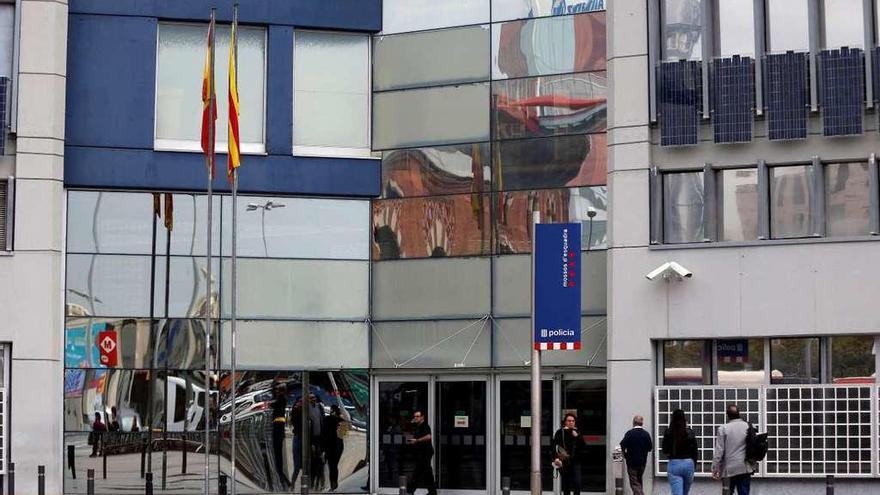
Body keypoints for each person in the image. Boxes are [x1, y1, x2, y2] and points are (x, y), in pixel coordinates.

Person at [712, 405, 755, 495]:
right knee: (744, 492)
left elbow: (719, 450)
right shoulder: (749, 426)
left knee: (727, 492)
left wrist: (715, 468)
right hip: (745, 467)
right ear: (739, 413)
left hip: (729, 469)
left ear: (727, 415)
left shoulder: (723, 429)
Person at [661, 409, 698, 495]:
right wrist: (694, 465)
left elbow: (665, 450)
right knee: (685, 492)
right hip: (689, 463)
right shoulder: (690, 432)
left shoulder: (669, 432)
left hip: (674, 463)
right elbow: (695, 451)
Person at [552, 413, 586, 495]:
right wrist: (555, 458)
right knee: (566, 484)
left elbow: (583, 446)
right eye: (569, 421)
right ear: (565, 422)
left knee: (577, 483)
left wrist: (577, 436)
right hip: (564, 461)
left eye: (573, 421)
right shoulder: (560, 432)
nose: (571, 422)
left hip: (576, 461)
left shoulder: (577, 432)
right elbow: (554, 446)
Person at [619, 414, 653, 495]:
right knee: (639, 481)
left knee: (634, 483)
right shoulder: (646, 434)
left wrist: (625, 455)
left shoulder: (630, 433)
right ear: (642, 423)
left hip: (631, 462)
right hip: (642, 462)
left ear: (633, 423)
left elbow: (622, 445)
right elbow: (650, 448)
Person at [406, 410, 437, 495]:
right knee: (422, 472)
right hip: (421, 453)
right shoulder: (417, 426)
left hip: (426, 452)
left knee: (422, 472)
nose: (415, 418)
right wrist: (411, 423)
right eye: (415, 416)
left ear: (422, 417)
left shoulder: (425, 426)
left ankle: (410, 491)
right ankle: (431, 492)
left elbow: (428, 436)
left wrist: (417, 441)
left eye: (417, 416)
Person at [322, 405, 347, 490]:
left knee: (331, 465)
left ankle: (333, 484)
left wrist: (323, 448)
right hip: (339, 446)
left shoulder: (327, 419)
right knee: (334, 465)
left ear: (332, 410)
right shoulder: (342, 421)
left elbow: (324, 434)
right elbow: (343, 434)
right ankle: (334, 483)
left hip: (329, 445)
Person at [271, 384, 290, 490]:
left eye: (278, 391)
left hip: (278, 426)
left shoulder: (281, 399)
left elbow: (274, 405)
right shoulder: (281, 399)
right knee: (278, 452)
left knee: (277, 451)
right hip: (279, 426)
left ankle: (280, 473)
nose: (277, 392)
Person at [308, 393, 326, 490]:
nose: (313, 399)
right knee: (313, 462)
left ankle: (320, 482)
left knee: (320, 461)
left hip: (320, 438)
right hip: (312, 439)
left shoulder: (319, 407)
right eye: (311, 398)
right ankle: (312, 482)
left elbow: (323, 420)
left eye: (314, 397)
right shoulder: (307, 409)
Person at [289, 397, 304, 486]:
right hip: (298, 437)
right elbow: (294, 422)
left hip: (303, 438)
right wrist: (297, 409)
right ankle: (293, 484)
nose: (301, 404)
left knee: (305, 466)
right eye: (300, 402)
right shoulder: (295, 411)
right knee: (297, 467)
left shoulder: (306, 411)